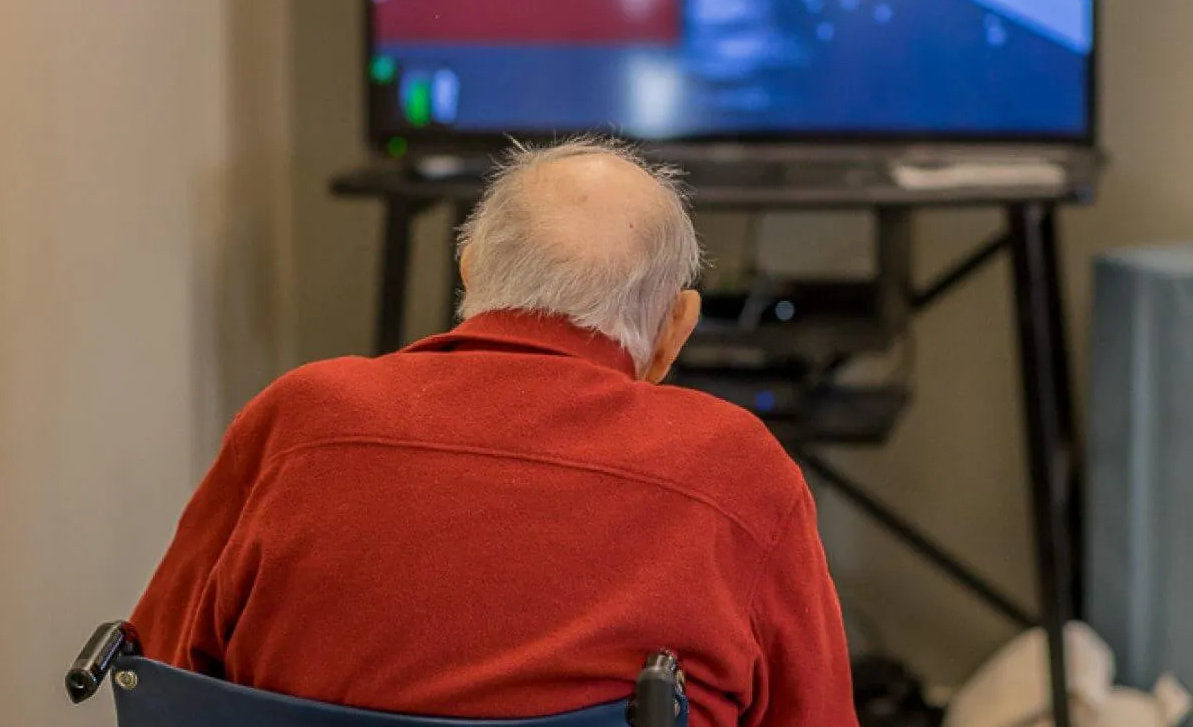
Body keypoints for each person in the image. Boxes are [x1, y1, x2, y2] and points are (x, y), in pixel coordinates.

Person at [132, 138, 858, 727]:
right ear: (676, 329)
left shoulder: (297, 421)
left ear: (471, 269)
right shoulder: (734, 468)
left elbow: (159, 678)